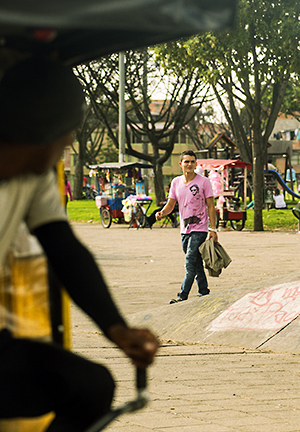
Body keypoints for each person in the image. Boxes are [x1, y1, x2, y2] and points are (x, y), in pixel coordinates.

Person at [0, 57, 158, 432]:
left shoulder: (32, 175)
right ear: (41, 129)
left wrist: (116, 329)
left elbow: (63, 248)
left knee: (90, 386)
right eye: (68, 130)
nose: (71, 140)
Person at [156, 150, 218, 303]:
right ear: (181, 164)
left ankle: (182, 295)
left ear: (196, 164)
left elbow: (211, 206)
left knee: (190, 261)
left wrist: (213, 229)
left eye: (192, 162)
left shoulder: (204, 182)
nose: (189, 164)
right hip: (184, 229)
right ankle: (204, 291)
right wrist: (162, 213)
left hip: (200, 229)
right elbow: (171, 204)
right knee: (196, 262)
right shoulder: (176, 182)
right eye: (186, 162)